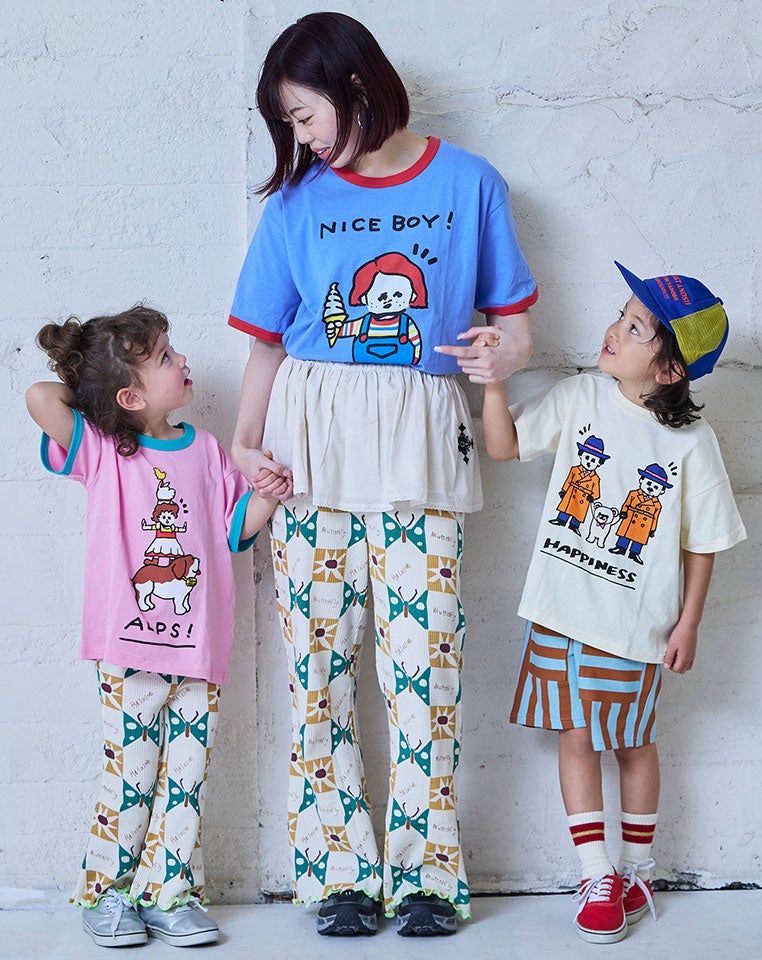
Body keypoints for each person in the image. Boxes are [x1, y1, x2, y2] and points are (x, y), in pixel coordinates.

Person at [229, 11, 537, 937]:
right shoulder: (294, 205)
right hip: (310, 448)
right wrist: (244, 443)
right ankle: (339, 873)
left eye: (303, 114)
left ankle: (428, 876)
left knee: (425, 667)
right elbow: (266, 341)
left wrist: (504, 354)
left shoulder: (470, 182)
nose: (300, 136)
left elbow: (515, 326)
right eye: (287, 123)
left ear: (355, 85)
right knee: (318, 670)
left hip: (419, 442)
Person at [481, 262, 746, 943]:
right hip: (561, 611)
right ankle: (595, 872)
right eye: (620, 315)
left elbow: (704, 542)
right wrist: (494, 381)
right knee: (575, 737)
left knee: (632, 742)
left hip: (634, 625)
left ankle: (636, 870)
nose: (613, 330)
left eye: (635, 328)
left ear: (670, 370)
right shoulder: (580, 397)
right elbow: (504, 446)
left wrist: (689, 623)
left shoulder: (691, 443)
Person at [25, 306, 282, 948]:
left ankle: (170, 895)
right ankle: (106, 893)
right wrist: (99, 395)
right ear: (131, 395)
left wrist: (267, 494)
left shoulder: (206, 450)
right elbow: (40, 396)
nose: (183, 360)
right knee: (132, 777)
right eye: (165, 356)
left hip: (198, 649)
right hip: (129, 650)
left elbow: (235, 531)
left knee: (185, 783)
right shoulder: (103, 450)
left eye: (173, 349)